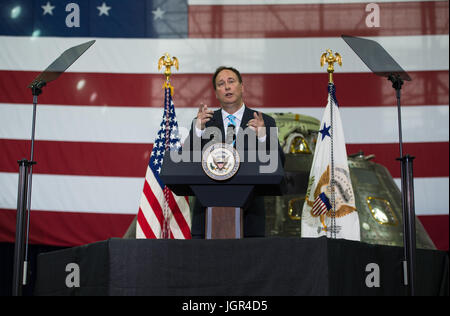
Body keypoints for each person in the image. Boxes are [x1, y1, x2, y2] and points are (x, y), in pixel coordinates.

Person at [187, 66, 285, 239]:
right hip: (206, 216)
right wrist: (197, 132)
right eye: (221, 84)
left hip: (250, 217)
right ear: (216, 93)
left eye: (231, 81)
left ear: (242, 87)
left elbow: (279, 163)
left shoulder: (263, 121)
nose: (227, 87)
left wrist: (263, 137)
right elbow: (185, 162)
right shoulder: (203, 123)